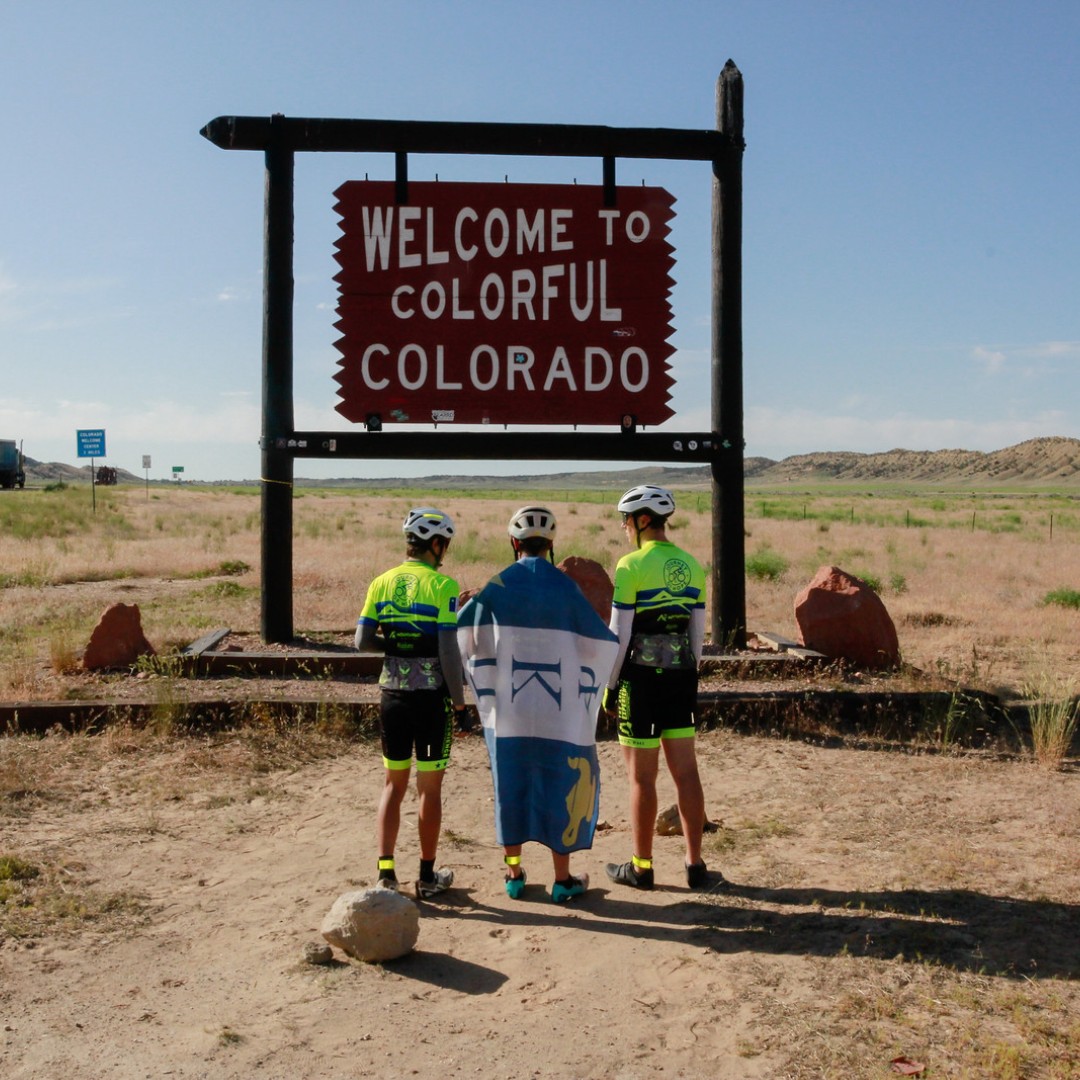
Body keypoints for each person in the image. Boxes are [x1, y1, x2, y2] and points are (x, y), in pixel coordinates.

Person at [457, 505, 618, 903]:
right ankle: (562, 880)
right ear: (550, 544)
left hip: (508, 712)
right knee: (558, 780)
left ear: (514, 543)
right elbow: (596, 643)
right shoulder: (565, 588)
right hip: (558, 712)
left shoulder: (500, 583)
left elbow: (466, 632)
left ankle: (513, 875)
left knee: (509, 782)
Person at [602, 484, 715, 890]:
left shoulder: (630, 565)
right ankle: (695, 865)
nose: (623, 526)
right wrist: (687, 677)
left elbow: (620, 632)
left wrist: (611, 688)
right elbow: (697, 634)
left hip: (640, 681)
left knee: (642, 779)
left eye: (626, 519)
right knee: (687, 772)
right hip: (682, 679)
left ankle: (642, 867)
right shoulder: (692, 565)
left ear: (642, 520)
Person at [355, 507, 468, 900]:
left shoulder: (381, 582)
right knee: (429, 790)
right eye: (444, 546)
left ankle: (385, 874)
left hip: (393, 696)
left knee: (393, 785)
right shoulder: (444, 586)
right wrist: (459, 702)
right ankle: (426, 876)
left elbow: (362, 641)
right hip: (432, 700)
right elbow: (448, 651)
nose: (445, 553)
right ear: (435, 544)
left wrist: (398, 646)